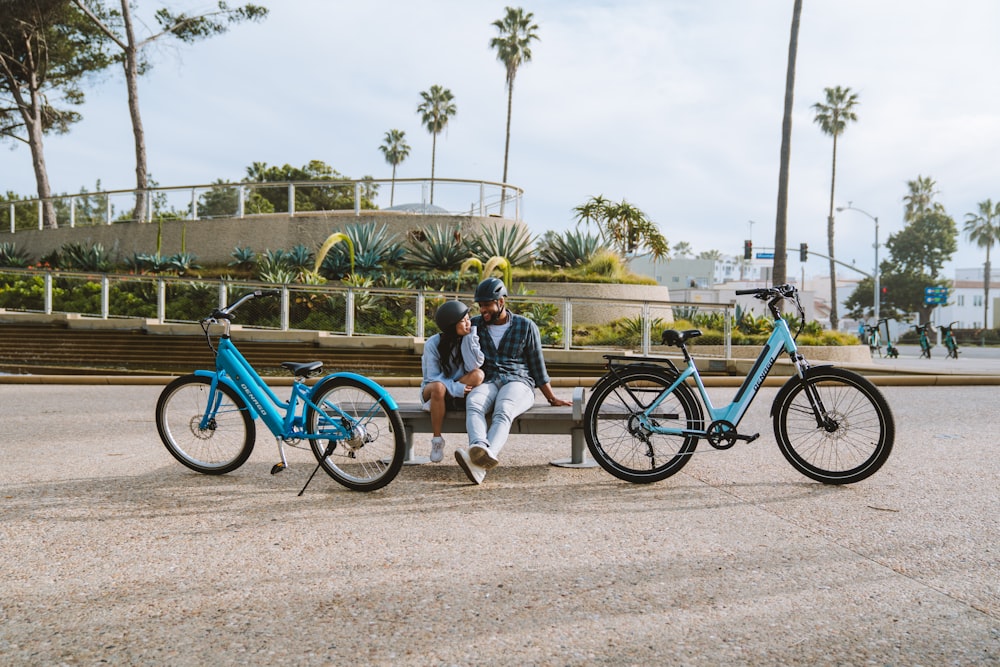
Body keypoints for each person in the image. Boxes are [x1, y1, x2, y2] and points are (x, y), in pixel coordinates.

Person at [454, 277, 572, 485]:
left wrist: (551, 398)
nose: (483, 310)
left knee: (504, 408)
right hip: (488, 380)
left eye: (487, 305)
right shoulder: (474, 325)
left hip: (519, 381)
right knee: (473, 404)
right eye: (480, 306)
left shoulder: (525, 326)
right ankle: (479, 449)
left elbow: (537, 366)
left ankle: (485, 455)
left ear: (501, 302)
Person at [421, 300, 484, 462]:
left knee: (478, 375)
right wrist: (456, 388)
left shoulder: (468, 337)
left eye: (468, 319)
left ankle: (447, 400)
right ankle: (437, 440)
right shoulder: (433, 343)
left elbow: (474, 366)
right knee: (438, 387)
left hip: (458, 386)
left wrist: (470, 339)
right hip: (434, 390)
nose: (468, 323)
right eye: (463, 321)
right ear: (451, 325)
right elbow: (432, 377)